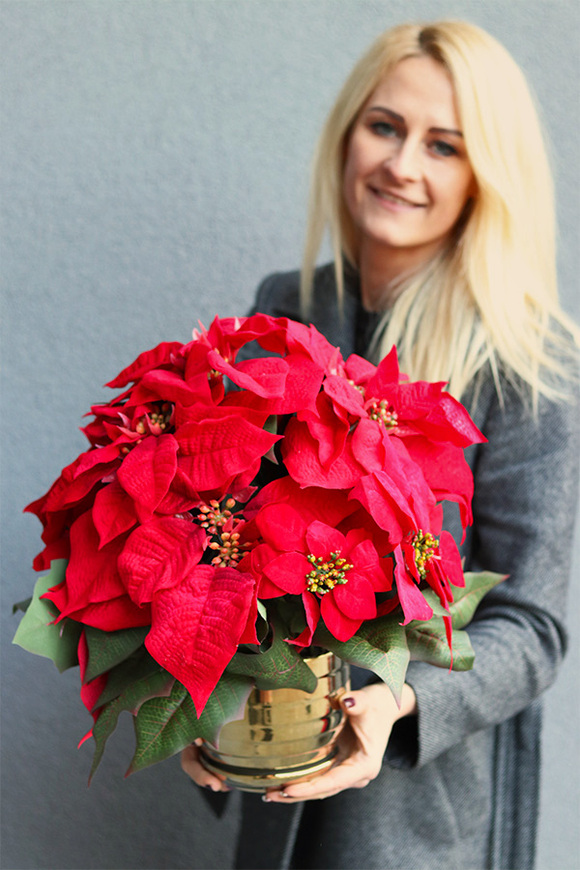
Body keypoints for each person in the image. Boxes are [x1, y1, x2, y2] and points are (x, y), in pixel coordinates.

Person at [181, 20, 579, 870]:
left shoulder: (525, 365)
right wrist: (186, 703)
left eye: (444, 146)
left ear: (484, 177)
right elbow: (210, 531)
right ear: (347, 134)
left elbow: (531, 626)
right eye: (385, 127)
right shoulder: (283, 308)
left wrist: (402, 701)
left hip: (412, 813)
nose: (402, 164)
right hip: (271, 765)